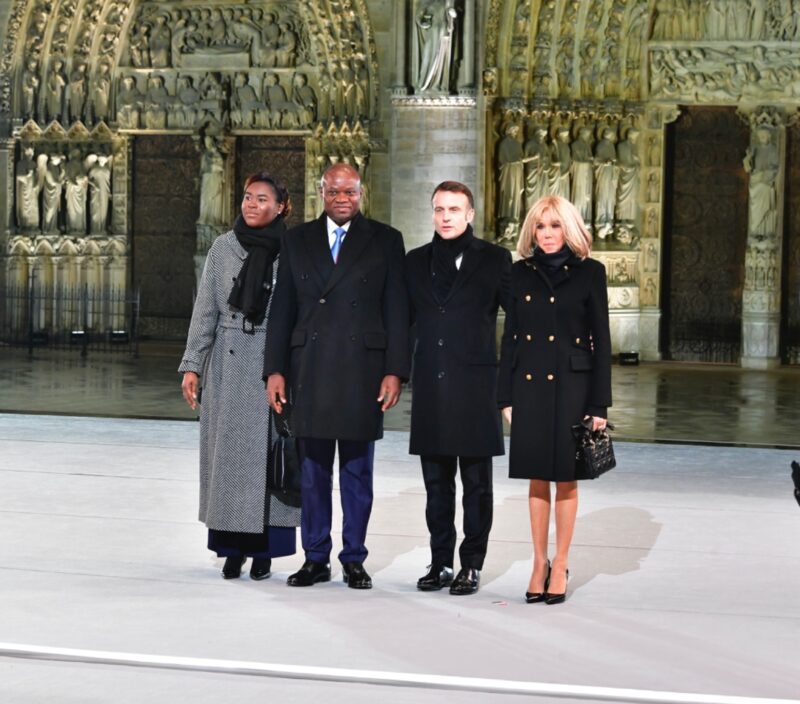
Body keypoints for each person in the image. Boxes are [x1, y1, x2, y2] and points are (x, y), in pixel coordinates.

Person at [264, 163, 409, 590]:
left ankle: (354, 558)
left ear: (361, 193)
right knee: (312, 471)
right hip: (309, 368)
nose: (342, 199)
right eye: (334, 192)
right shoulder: (297, 240)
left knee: (357, 471)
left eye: (349, 192)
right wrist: (274, 370)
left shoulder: (386, 240)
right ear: (321, 192)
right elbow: (282, 309)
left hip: (362, 372)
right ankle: (315, 557)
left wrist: (395, 370)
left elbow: (397, 311)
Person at [179, 172, 299, 580]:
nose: (251, 204)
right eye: (247, 197)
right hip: (229, 366)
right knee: (228, 459)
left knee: (269, 458)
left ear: (281, 205)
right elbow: (205, 310)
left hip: (273, 364)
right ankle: (232, 548)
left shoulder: (294, 250)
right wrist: (193, 364)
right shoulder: (222, 247)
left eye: (262, 199)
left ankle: (265, 550)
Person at [498, 195, 611, 605]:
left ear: (570, 229)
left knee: (565, 476)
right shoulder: (519, 273)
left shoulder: (590, 273)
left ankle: (560, 562)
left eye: (555, 226)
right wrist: (504, 396)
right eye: (541, 226)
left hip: (573, 388)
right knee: (535, 477)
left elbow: (602, 341)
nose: (547, 234)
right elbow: (510, 337)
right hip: (529, 387)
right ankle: (537, 562)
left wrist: (599, 405)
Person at [406, 181, 511, 595]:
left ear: (470, 214)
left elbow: (518, 321)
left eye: (454, 209)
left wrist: (511, 388)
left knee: (477, 484)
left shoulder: (496, 260)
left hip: (476, 386)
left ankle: (472, 564)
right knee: (436, 486)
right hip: (432, 384)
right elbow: (401, 322)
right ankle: (440, 562)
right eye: (439, 209)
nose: (445, 216)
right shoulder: (414, 262)